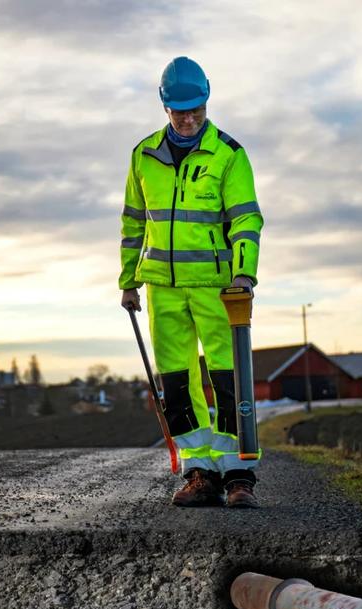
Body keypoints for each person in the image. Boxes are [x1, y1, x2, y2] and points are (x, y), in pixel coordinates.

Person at [119, 56, 263, 508]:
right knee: (177, 382)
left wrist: (244, 272)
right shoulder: (143, 156)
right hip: (162, 287)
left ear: (207, 100)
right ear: (164, 106)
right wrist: (128, 281)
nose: (188, 118)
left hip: (218, 287)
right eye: (180, 110)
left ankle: (238, 474)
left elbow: (246, 218)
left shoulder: (229, 154)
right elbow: (133, 222)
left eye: (196, 109)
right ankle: (200, 472)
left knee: (227, 378)